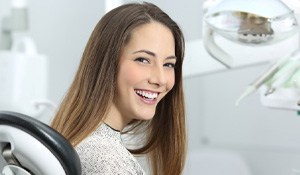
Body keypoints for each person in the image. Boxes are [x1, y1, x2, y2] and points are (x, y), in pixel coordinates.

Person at [50, 2, 186, 175]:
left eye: (168, 64)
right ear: (107, 63)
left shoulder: (90, 145)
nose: (160, 79)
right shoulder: (105, 159)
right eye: (143, 60)